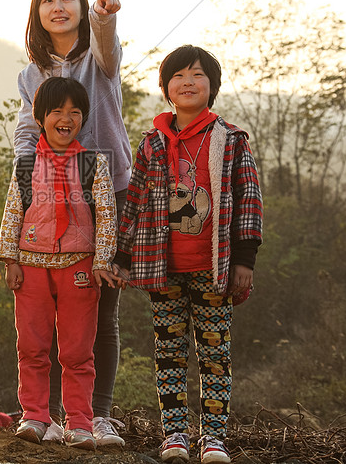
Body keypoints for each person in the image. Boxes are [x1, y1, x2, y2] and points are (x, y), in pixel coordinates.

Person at [114, 45, 263, 464]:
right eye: (178, 76)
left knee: (215, 353)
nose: (188, 83)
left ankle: (213, 438)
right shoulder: (152, 143)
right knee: (168, 351)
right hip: (162, 267)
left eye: (198, 75)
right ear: (166, 88)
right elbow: (137, 202)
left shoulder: (230, 140)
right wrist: (123, 256)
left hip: (213, 266)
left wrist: (244, 260)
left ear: (212, 86)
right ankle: (175, 435)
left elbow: (249, 199)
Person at [13, 0, 132, 446]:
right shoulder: (31, 74)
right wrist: (25, 178)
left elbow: (108, 48)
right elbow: (26, 128)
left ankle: (95, 414)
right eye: (48, 0)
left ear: (82, 8)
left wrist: (105, 19)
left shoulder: (99, 60)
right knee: (52, 310)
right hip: (50, 195)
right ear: (37, 13)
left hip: (109, 189)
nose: (58, 6)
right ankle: (54, 417)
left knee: (101, 307)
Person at [0, 76, 119, 450]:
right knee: (32, 346)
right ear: (39, 117)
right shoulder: (26, 163)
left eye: (75, 112)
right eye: (57, 111)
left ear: (83, 118)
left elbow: (107, 214)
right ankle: (35, 416)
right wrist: (9, 258)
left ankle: (80, 422)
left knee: (78, 350)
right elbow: (13, 211)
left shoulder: (93, 163)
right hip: (31, 266)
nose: (66, 118)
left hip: (79, 268)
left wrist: (102, 261)